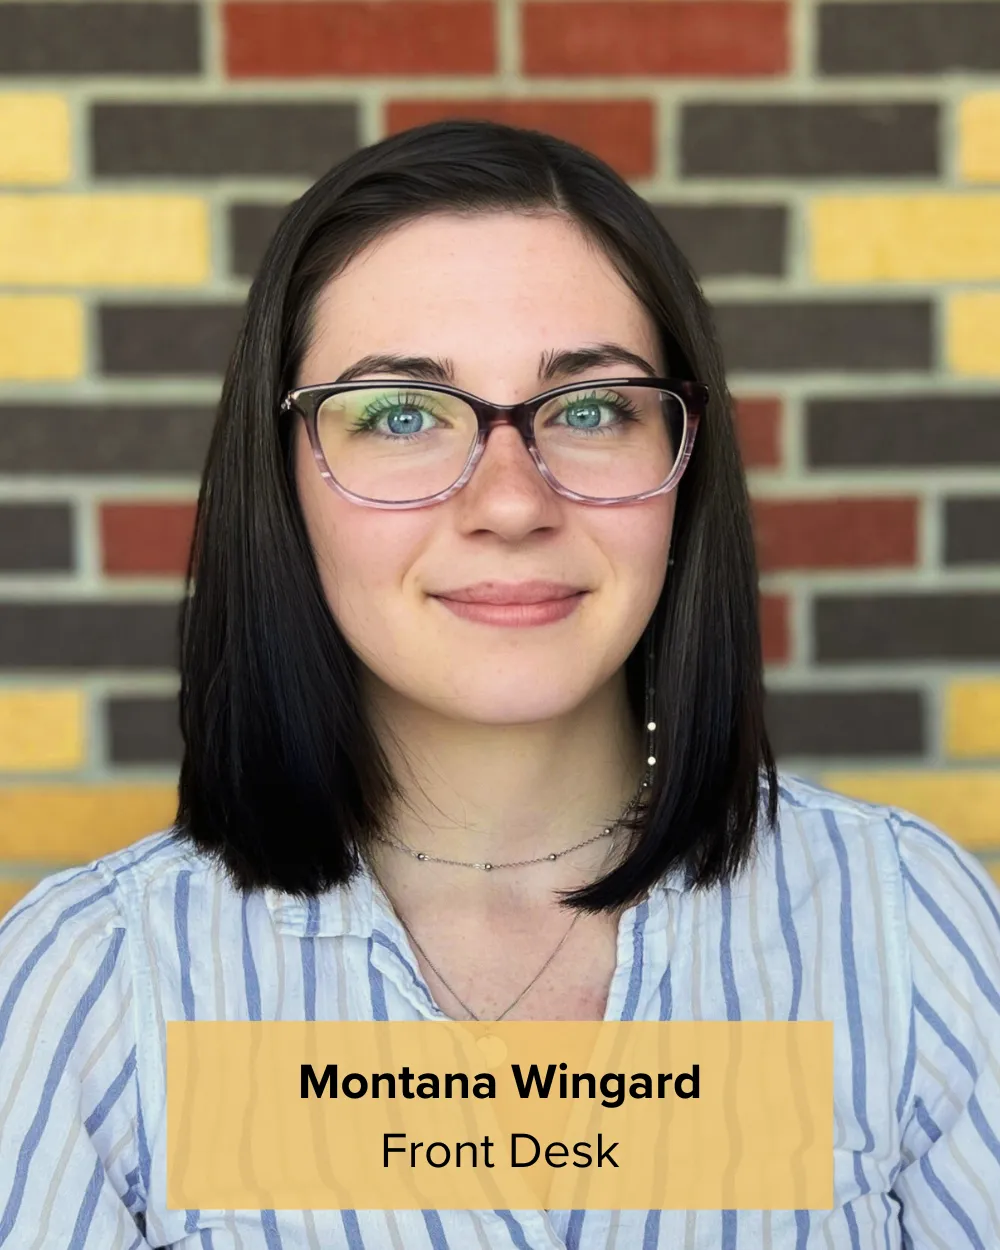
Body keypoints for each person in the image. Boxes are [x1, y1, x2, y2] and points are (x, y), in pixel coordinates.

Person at [0, 119, 998, 1250]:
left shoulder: (902, 927)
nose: (513, 501)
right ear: (282, 482)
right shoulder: (92, 989)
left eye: (591, 409)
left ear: (684, 462)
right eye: (400, 415)